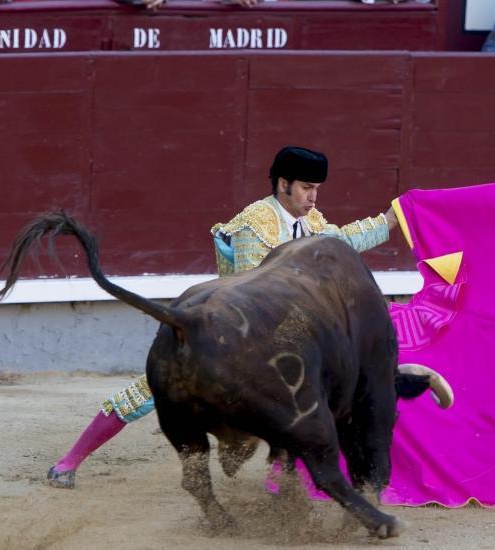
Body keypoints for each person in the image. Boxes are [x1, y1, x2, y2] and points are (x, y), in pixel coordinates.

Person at [47, 146, 399, 488]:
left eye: (317, 189)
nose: (313, 198)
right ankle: (68, 461)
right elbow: (257, 294)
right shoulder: (255, 225)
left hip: (272, 338)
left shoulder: (310, 222)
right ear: (282, 184)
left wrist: (388, 221)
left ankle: (282, 480)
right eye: (307, 189)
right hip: (226, 334)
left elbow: (339, 241)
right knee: (149, 390)